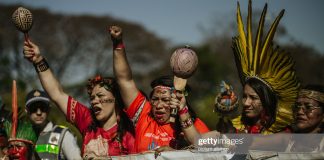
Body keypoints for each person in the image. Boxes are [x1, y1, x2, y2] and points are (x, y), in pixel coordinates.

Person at [22, 41, 135, 158]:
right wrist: (38, 61)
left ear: (116, 99)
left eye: (100, 96)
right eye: (92, 97)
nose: (94, 101)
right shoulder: (88, 121)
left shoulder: (130, 130)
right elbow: (57, 94)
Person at [110, 25, 210, 153]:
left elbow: (222, 147)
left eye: (165, 100)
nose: (159, 105)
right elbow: (124, 80)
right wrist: (117, 44)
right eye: (155, 99)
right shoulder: (143, 114)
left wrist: (176, 154)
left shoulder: (192, 123)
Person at [219, 0, 300, 134]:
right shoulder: (237, 127)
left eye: (254, 98)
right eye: (245, 96)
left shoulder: (283, 132)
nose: (245, 103)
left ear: (267, 100)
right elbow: (202, 140)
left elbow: (254, 143)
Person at [25, 89, 82, 159]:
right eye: (33, 108)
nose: (39, 113)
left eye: (43, 108)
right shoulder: (22, 136)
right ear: (27, 111)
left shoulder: (63, 134)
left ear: (49, 109)